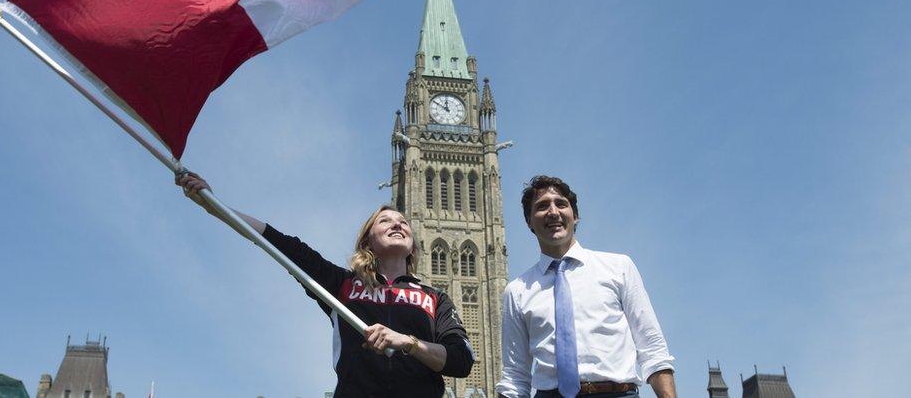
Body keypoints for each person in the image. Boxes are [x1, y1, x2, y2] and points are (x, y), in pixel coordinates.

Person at [177, 173, 473, 398]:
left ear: (412, 245)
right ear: (368, 240)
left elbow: (460, 360)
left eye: (403, 222)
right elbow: (282, 245)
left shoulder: (435, 299)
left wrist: (408, 342)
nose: (397, 224)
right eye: (385, 221)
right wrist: (214, 206)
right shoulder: (343, 286)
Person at [496, 176, 676, 398]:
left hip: (617, 393)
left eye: (561, 204)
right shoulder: (518, 290)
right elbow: (515, 376)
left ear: (576, 216)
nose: (553, 212)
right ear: (529, 222)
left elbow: (652, 348)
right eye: (542, 206)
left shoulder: (618, 267)